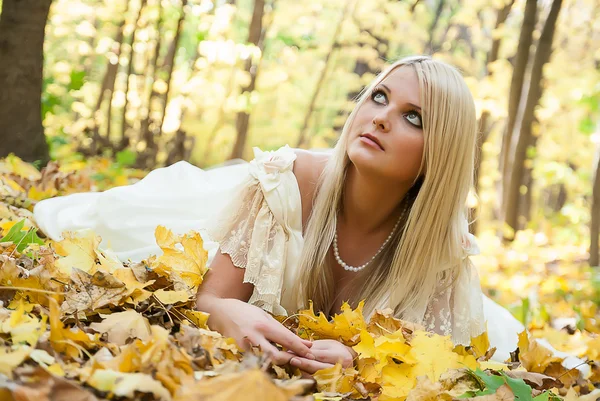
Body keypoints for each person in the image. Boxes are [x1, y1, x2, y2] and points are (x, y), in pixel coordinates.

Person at [33, 55, 522, 375]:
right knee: (112, 220)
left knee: (498, 339)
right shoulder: (285, 183)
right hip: (220, 217)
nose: (380, 117)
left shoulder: (442, 253)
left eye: (413, 116)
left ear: (442, 152)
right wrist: (225, 311)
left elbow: (433, 357)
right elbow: (213, 297)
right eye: (380, 96)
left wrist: (356, 358)